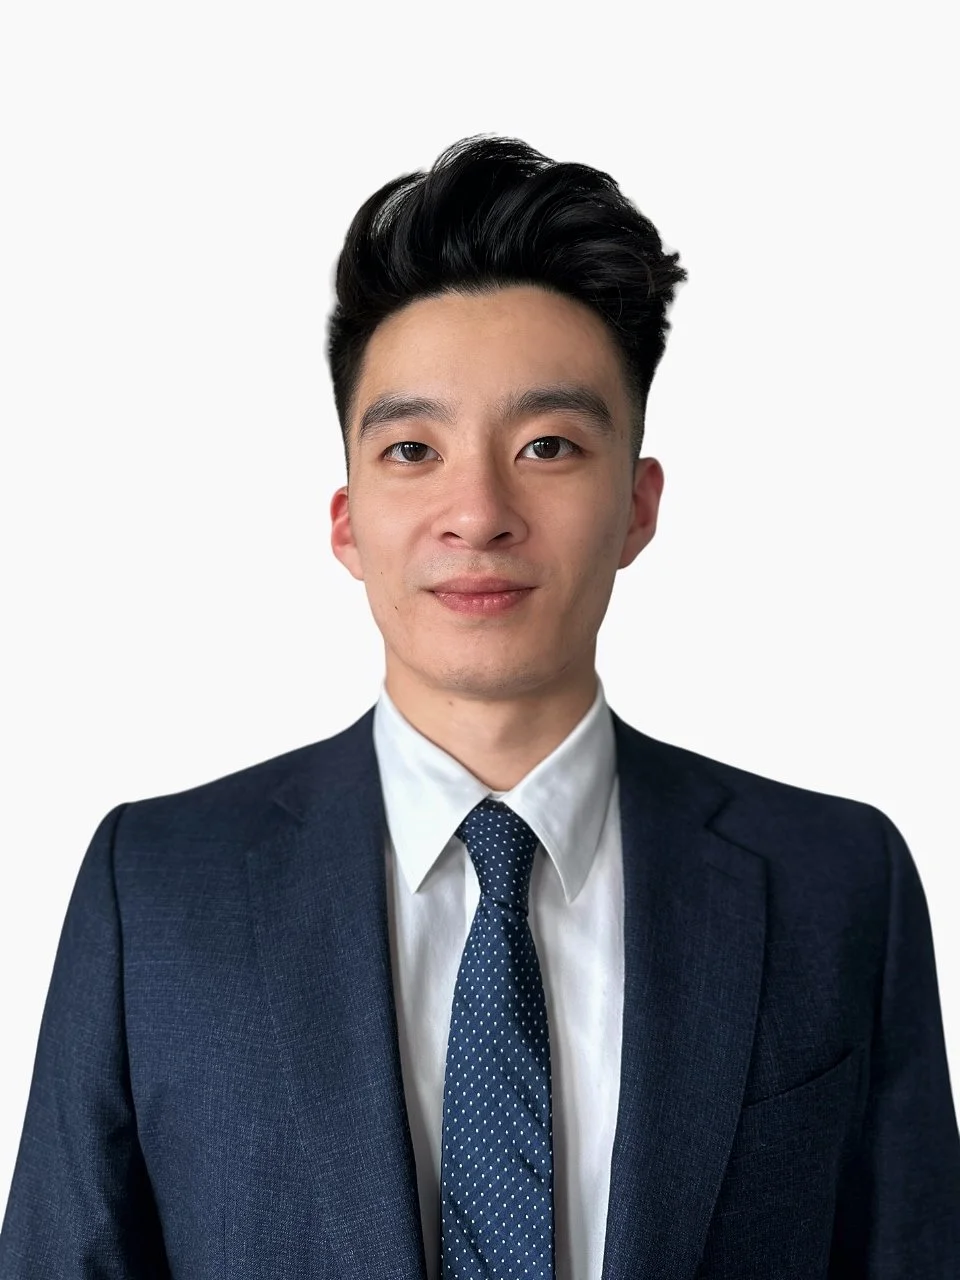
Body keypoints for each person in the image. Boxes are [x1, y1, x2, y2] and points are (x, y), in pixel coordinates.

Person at [1, 133, 957, 1280]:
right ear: (347, 518)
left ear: (639, 505)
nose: (479, 510)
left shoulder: (836, 882)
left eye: (548, 444)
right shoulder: (153, 887)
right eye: (413, 448)